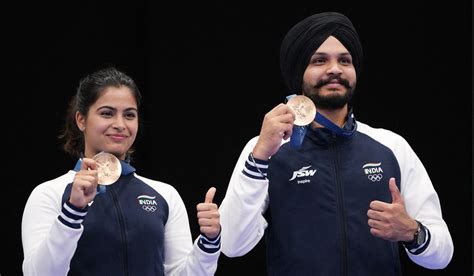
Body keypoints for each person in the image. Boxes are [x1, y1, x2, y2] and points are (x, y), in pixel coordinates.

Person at [219, 11, 453, 275]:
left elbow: (441, 255)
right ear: (300, 73)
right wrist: (259, 157)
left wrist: (412, 232)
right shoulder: (266, 149)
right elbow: (231, 245)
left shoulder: (391, 146)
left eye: (345, 60)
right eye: (319, 60)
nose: (334, 69)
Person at [21, 67, 221, 275]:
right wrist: (73, 211)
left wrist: (209, 243)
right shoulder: (49, 194)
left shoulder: (165, 195)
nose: (120, 124)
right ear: (81, 120)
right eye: (107, 113)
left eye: (129, 115)